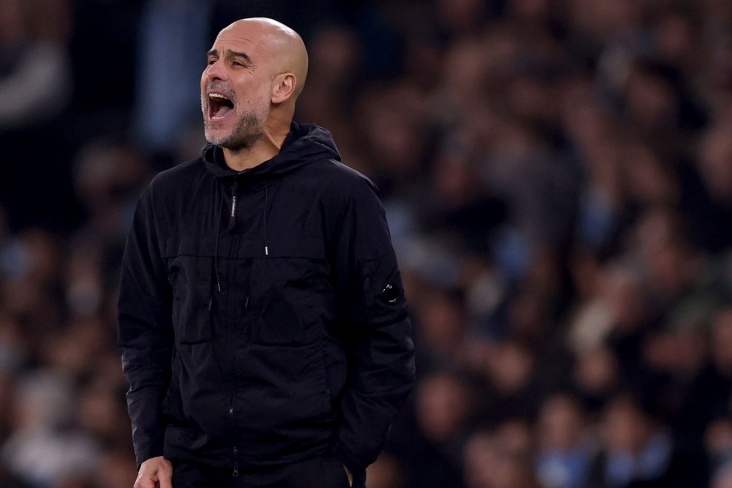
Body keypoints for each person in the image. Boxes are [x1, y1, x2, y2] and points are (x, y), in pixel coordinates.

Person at [117, 17, 416, 488]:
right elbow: (143, 334)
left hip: (304, 471)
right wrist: (150, 446)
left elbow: (385, 343)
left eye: (238, 63)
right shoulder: (167, 197)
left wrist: (344, 460)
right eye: (212, 59)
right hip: (192, 470)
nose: (215, 72)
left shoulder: (342, 197)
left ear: (282, 87)